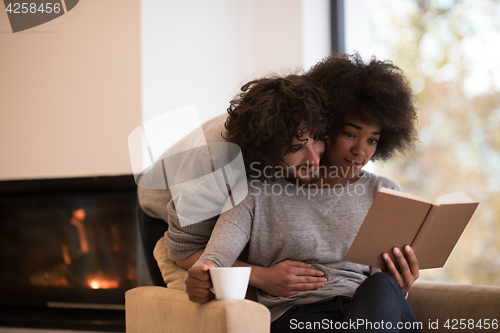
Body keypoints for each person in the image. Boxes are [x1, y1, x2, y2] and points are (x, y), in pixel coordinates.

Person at [185, 53, 421, 332]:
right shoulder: (254, 192)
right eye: (350, 134)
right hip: (298, 316)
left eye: (372, 140)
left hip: (367, 313)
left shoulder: (385, 193)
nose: (361, 151)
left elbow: (388, 300)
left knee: (382, 285)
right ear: (326, 126)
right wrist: (202, 277)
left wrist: (401, 285)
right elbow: (212, 260)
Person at [137, 74, 333, 295]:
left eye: (317, 139)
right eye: (296, 148)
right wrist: (262, 276)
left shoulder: (301, 130)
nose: (315, 159)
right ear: (267, 147)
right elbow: (185, 251)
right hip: (162, 207)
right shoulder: (212, 162)